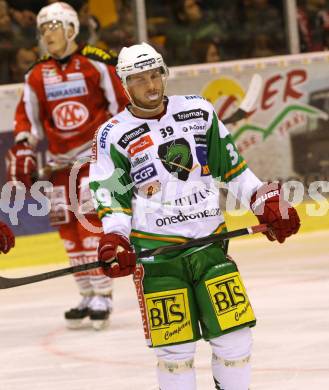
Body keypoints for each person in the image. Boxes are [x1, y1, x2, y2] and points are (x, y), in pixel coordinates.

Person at [89, 42, 300, 389]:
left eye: (155, 75)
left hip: (209, 248)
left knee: (235, 340)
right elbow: (112, 199)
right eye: (139, 79)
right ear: (124, 84)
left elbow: (234, 170)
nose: (151, 85)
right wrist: (115, 238)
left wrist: (266, 202)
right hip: (158, 257)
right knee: (175, 353)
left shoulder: (199, 111)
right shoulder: (112, 135)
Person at [6, 2, 128, 330]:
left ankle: (103, 294)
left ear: (71, 28)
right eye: (43, 29)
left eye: (53, 26)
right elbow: (27, 119)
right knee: (67, 231)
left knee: (91, 227)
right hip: (59, 168)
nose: (47, 34)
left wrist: (122, 150)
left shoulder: (97, 63)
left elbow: (121, 107)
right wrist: (22, 147)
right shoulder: (36, 75)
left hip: (94, 163)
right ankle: (86, 293)